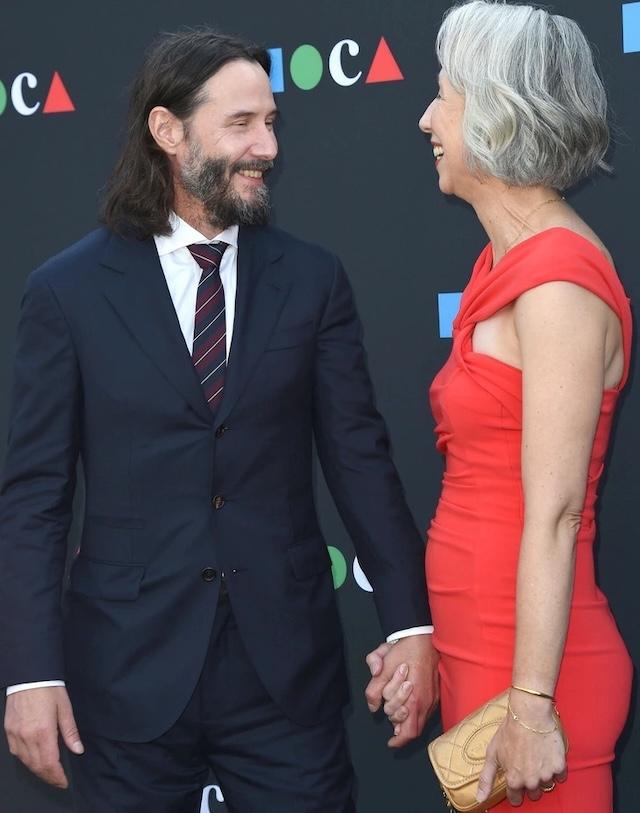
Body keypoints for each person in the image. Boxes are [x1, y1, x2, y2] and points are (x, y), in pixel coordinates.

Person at [0, 29, 439, 813]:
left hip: (285, 673)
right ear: (169, 132)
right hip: (125, 675)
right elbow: (34, 497)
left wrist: (410, 622)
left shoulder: (311, 279)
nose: (266, 146)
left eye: (271, 123)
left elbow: (360, 460)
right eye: (241, 124)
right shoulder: (66, 292)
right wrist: (31, 672)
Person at [366, 1, 633, 810]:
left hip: (539, 686)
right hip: (486, 654)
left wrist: (530, 706)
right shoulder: (502, 263)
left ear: (494, 111)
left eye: (442, 94)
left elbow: (550, 515)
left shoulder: (557, 284)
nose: (425, 119)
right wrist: (435, 651)